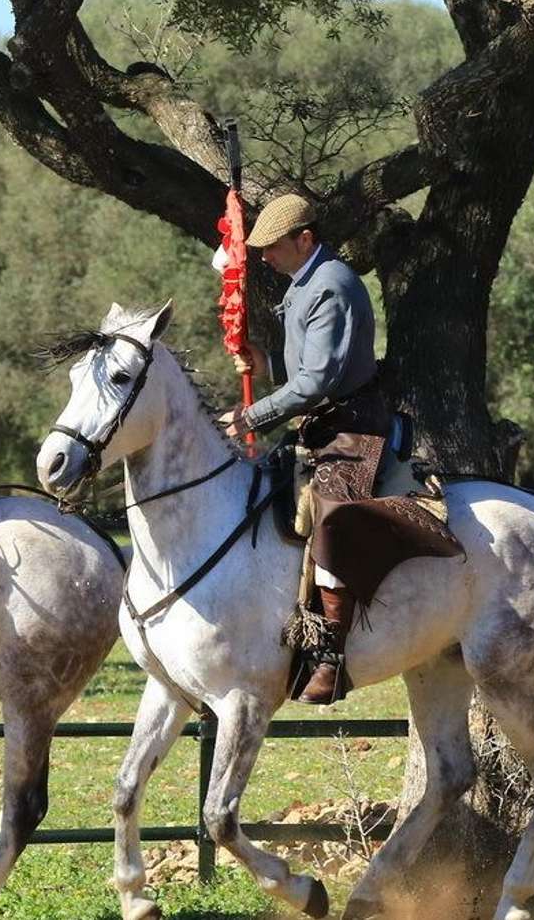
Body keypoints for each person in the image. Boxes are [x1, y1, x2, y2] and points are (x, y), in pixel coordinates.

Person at [218, 193, 455, 704]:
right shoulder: (305, 284)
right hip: (320, 426)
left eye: (273, 247)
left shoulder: (331, 286)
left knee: (332, 522)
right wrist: (263, 366)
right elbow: (307, 373)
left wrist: (253, 414)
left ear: (304, 239)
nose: (264, 257)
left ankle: (330, 654)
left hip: (351, 428)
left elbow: (320, 381)